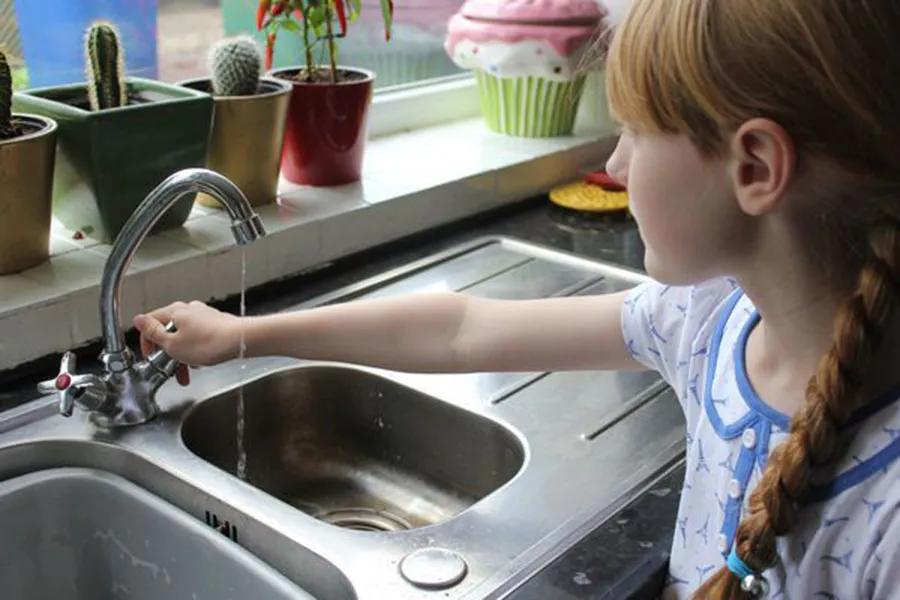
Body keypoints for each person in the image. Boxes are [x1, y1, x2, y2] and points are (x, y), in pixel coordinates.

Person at [134, 0, 900, 597]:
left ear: (756, 167)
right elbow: (462, 327)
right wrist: (245, 333)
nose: (615, 159)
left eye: (633, 128)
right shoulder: (710, 323)